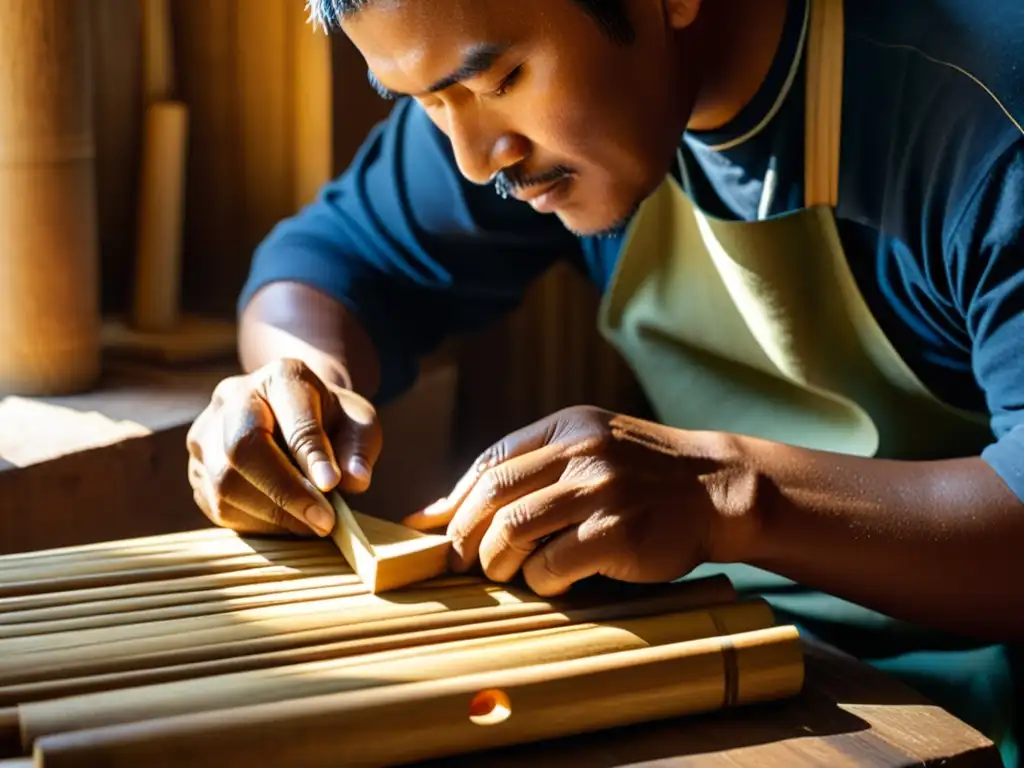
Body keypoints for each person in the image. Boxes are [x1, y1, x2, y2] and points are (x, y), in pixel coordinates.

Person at [185, 0, 1024, 762]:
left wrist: (727, 494)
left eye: (502, 79)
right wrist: (293, 382)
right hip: (751, 648)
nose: (476, 161)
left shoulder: (986, 117)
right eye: (425, 103)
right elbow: (323, 266)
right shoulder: (502, 111)